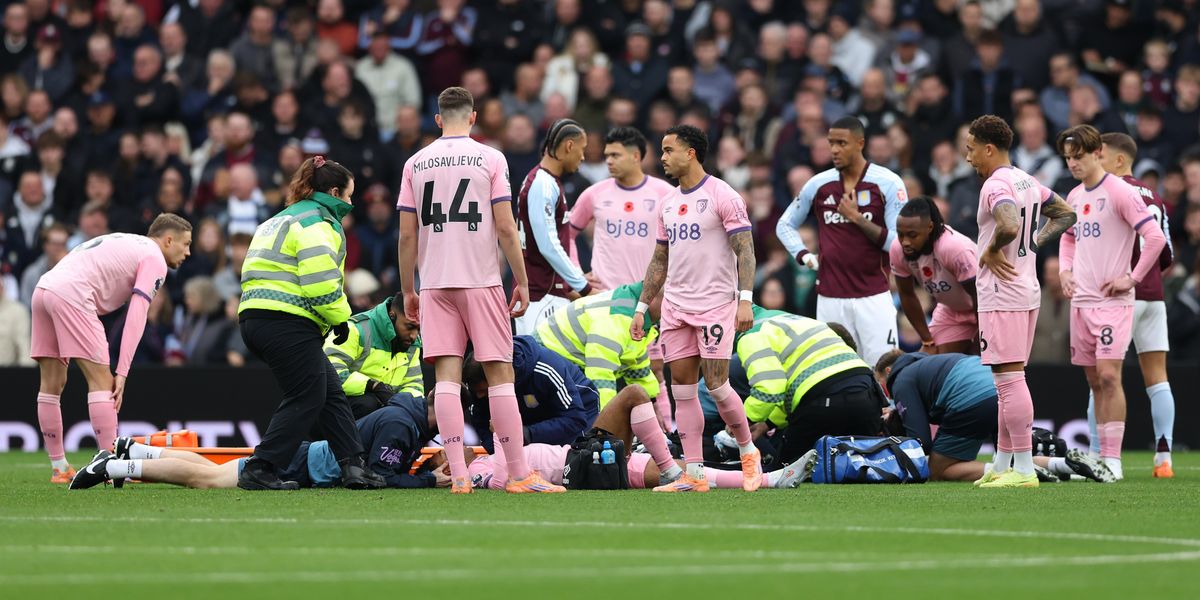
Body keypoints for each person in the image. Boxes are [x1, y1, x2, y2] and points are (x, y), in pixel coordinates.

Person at [398, 87, 562, 494]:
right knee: (500, 374)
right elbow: (506, 227)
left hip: (435, 282)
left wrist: (408, 290)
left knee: (447, 377)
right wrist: (522, 281)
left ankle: (458, 476)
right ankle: (519, 474)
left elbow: (406, 236)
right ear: (472, 118)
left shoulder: (415, 162)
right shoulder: (490, 157)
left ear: (438, 119)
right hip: (481, 280)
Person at [238, 156, 384, 491]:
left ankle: (354, 465)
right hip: (286, 319)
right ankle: (261, 467)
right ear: (333, 192)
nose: (350, 203)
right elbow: (320, 283)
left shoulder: (280, 219)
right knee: (307, 396)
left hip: (257, 317)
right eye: (348, 195)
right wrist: (342, 319)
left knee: (329, 393)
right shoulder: (318, 223)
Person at [630, 124, 761, 493]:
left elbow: (745, 250)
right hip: (675, 308)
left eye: (669, 150)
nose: (663, 157)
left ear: (691, 153)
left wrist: (745, 299)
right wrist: (642, 306)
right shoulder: (668, 204)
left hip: (716, 304)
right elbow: (660, 259)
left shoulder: (725, 196)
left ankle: (749, 451)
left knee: (718, 386)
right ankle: (695, 474)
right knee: (682, 392)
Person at [33, 214, 191, 484]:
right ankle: (111, 469)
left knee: (51, 384)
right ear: (168, 240)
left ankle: (59, 467)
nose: (188, 252)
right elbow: (138, 313)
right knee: (103, 383)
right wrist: (123, 370)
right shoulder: (154, 258)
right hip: (72, 295)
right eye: (186, 244)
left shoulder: (125, 240)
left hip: (44, 289)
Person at [965, 114, 1076, 489]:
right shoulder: (1028, 180)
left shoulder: (996, 185)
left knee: (1010, 381)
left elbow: (1009, 224)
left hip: (1001, 292)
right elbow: (1065, 213)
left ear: (988, 148)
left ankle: (1025, 470)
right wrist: (1033, 244)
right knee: (1005, 382)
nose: (968, 157)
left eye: (971, 148)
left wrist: (996, 247)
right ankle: (1001, 463)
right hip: (1026, 290)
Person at [1057, 125, 1166, 482]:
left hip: (1114, 303)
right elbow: (1068, 238)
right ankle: (1101, 460)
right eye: (1068, 158)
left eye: (1078, 156)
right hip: (1081, 302)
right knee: (1093, 381)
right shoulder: (1073, 196)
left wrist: (1131, 279)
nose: (1072, 163)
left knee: (1108, 376)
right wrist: (1065, 271)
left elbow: (1154, 238)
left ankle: (1112, 460)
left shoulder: (1120, 191)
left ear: (1096, 153)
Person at [467, 385, 817, 490]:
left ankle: (669, 464)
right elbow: (503, 481)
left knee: (634, 393)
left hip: (580, 452)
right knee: (682, 470)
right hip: (585, 469)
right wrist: (500, 436)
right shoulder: (478, 471)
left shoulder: (477, 455)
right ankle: (772, 479)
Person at [70, 394, 449, 490]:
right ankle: (114, 466)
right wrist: (429, 480)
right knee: (208, 479)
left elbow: (382, 466)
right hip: (302, 465)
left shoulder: (406, 418)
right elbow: (379, 476)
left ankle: (132, 451)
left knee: (211, 469)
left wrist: (425, 468)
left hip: (305, 458)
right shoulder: (402, 423)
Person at [776, 116, 906, 367]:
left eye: (841, 143)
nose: (834, 149)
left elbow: (896, 244)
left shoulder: (888, 182)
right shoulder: (819, 184)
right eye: (831, 142)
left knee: (884, 369)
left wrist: (857, 219)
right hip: (830, 298)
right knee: (833, 370)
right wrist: (803, 254)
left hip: (873, 296)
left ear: (860, 143)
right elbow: (785, 224)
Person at [873, 350, 1115, 483]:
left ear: (888, 372)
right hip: (1002, 391)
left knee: (939, 469)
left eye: (882, 386)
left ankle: (1005, 473)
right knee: (1010, 455)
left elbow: (921, 441)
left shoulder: (901, 379)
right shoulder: (932, 362)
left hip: (971, 398)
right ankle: (1065, 464)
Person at [1097, 132, 1176, 478]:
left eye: (1100, 156)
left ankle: (1099, 453)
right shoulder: (1155, 196)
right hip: (1153, 295)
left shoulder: (1111, 193)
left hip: (1119, 294)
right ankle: (1164, 456)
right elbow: (1167, 254)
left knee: (1102, 378)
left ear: (1118, 160)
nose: (1094, 163)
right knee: (1157, 377)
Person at [734, 306, 882, 462]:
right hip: (867, 391)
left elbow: (771, 388)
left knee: (785, 474)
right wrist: (768, 423)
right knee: (862, 469)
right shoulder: (796, 319)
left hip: (822, 398)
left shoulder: (751, 336)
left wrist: (740, 420)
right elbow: (795, 385)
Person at [514, 118, 594, 335]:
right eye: (582, 149)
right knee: (542, 366)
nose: (583, 157)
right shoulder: (542, 184)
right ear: (569, 146)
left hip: (545, 292)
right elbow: (548, 244)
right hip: (541, 296)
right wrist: (583, 287)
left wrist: (573, 281)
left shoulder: (544, 181)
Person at [570, 127, 675, 291]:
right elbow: (566, 234)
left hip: (649, 297)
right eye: (607, 156)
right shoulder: (593, 194)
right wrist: (575, 273)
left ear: (635, 156)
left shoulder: (665, 194)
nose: (609, 161)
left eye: (615, 155)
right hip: (604, 297)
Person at [535, 281, 662, 411]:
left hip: (564, 363)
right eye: (673, 302)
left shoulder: (636, 313)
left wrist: (652, 404)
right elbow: (600, 376)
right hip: (547, 361)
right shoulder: (620, 318)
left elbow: (637, 368)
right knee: (575, 421)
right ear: (653, 298)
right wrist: (606, 422)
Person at [464, 335, 598, 452]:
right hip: (529, 418)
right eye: (476, 392)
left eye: (483, 391)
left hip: (578, 408)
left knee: (576, 461)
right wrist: (496, 451)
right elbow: (482, 426)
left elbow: (574, 420)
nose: (479, 396)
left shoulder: (546, 369)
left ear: (496, 377)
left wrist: (527, 433)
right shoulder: (479, 389)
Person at [890, 196, 979, 355]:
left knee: (988, 365)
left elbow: (980, 296)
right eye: (900, 234)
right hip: (952, 310)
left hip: (991, 307)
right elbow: (907, 294)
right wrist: (927, 340)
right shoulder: (897, 249)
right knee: (933, 362)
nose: (905, 242)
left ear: (930, 227)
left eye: (912, 235)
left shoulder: (954, 248)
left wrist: (981, 340)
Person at [323, 294, 422, 420]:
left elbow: (414, 385)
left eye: (418, 329)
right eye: (410, 327)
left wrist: (401, 405)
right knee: (369, 404)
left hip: (384, 411)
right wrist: (372, 386)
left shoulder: (413, 343)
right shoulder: (356, 329)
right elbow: (329, 373)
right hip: (333, 408)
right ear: (392, 315)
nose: (414, 336)